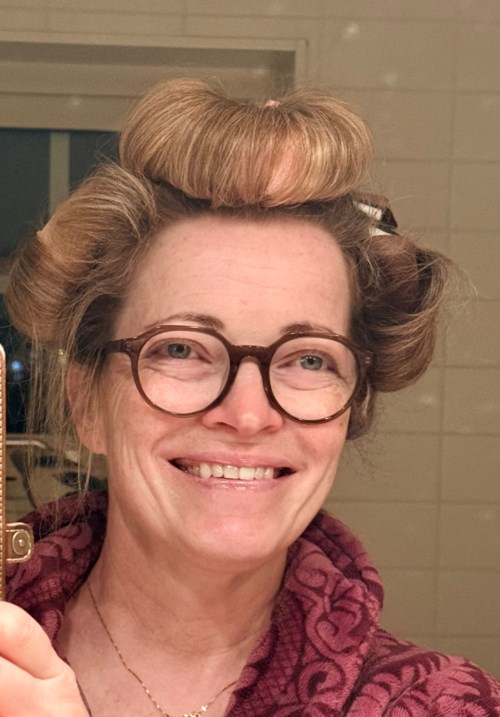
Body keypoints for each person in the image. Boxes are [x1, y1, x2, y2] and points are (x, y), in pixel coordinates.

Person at [3, 78, 499, 717]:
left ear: (352, 406)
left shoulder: (445, 705)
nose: (247, 415)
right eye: (182, 349)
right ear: (87, 402)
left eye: (309, 359)